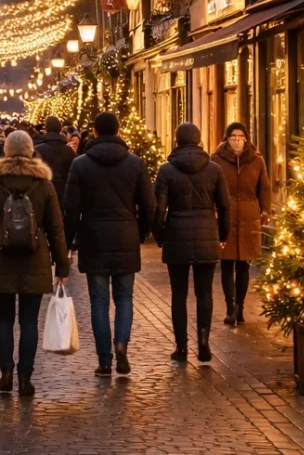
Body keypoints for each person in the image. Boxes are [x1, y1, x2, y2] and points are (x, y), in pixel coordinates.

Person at [0, 131, 69, 396]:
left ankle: (5, 373)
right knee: (28, 321)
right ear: (30, 150)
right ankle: (25, 377)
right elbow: (56, 229)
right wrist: (62, 265)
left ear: (6, 151)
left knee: (3, 320)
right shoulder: (44, 185)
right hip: (34, 260)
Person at [63, 113, 155, 377]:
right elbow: (149, 204)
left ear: (93, 132)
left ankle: (104, 360)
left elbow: (71, 208)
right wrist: (141, 232)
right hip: (125, 234)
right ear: (118, 131)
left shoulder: (80, 165)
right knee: (125, 297)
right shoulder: (135, 163)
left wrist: (69, 241)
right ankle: (122, 344)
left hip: (93, 237)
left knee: (99, 301)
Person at [152, 123, 231, 363]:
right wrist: (223, 235)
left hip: (177, 235)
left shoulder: (166, 170)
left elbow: (159, 208)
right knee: (204, 291)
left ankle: (181, 347)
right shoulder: (215, 170)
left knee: (179, 293)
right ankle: (204, 342)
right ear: (199, 141)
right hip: (207, 232)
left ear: (176, 141)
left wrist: (160, 235)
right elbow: (225, 206)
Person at [211, 123, 271, 326]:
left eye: (240, 136)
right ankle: (230, 307)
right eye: (233, 136)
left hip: (248, 216)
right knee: (227, 264)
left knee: (244, 263)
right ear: (226, 139)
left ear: (246, 139)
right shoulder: (216, 160)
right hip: (226, 216)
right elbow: (212, 188)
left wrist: (265, 212)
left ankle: (240, 306)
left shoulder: (256, 160)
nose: (237, 140)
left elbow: (264, 188)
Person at [34, 116, 77, 205]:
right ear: (60, 129)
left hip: (42, 194)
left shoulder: (37, 150)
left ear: (46, 129)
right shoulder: (69, 151)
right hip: (63, 194)